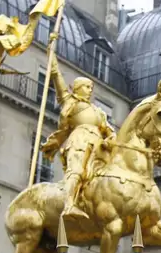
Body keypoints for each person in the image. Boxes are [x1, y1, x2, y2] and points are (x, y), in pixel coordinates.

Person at [40, 53, 114, 220]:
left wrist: (110, 138)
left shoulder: (98, 111)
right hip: (79, 140)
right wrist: (53, 63)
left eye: (91, 88)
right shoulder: (71, 102)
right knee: (77, 170)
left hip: (98, 146)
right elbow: (58, 80)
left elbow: (109, 130)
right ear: (78, 87)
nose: (90, 91)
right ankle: (69, 205)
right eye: (87, 87)